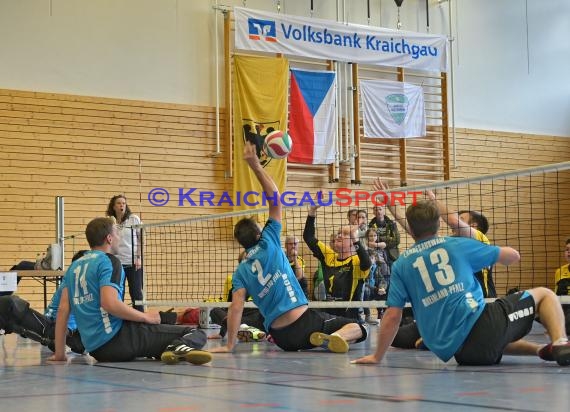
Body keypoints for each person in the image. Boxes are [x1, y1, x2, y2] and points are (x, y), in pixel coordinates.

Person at [353, 199, 570, 366]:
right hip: (483, 322)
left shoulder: (401, 264)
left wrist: (377, 356)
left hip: (465, 353)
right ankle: (561, 343)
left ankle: (541, 349)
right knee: (544, 294)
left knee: (492, 337)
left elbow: (392, 315)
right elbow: (513, 256)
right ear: (439, 223)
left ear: (410, 227)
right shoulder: (457, 244)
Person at [210, 142, 367, 354]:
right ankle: (335, 337)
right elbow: (275, 199)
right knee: (360, 328)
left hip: (281, 338)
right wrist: (255, 165)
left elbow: (236, 306)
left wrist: (229, 345)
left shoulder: (240, 272)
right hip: (304, 321)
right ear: (258, 234)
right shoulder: (269, 241)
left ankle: (322, 338)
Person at [49, 217, 211, 365]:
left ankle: (166, 348)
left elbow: (63, 311)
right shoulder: (109, 262)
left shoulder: (74, 267)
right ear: (109, 238)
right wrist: (144, 317)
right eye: (117, 234)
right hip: (118, 340)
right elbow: (109, 304)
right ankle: (176, 348)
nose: (120, 238)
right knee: (194, 333)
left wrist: (59, 353)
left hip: (96, 350)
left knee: (159, 327)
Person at [304, 204, 372, 320]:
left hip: (349, 318)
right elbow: (309, 237)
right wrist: (312, 211)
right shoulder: (329, 256)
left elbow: (367, 263)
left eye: (345, 234)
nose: (339, 236)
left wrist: (355, 239)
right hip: (329, 316)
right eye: (339, 233)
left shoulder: (356, 261)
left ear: (352, 242)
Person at [106, 194, 144, 312]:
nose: (122, 205)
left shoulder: (133, 219)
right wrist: (111, 224)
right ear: (113, 207)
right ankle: (119, 320)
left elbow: (140, 239)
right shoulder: (109, 221)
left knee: (136, 293)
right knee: (118, 293)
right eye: (119, 203)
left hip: (132, 262)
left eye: (124, 203)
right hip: (117, 263)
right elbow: (108, 241)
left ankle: (140, 320)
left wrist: (139, 257)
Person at [554, 238, 570, 334]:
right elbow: (557, 298)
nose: (569, 252)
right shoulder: (559, 271)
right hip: (564, 312)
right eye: (567, 249)